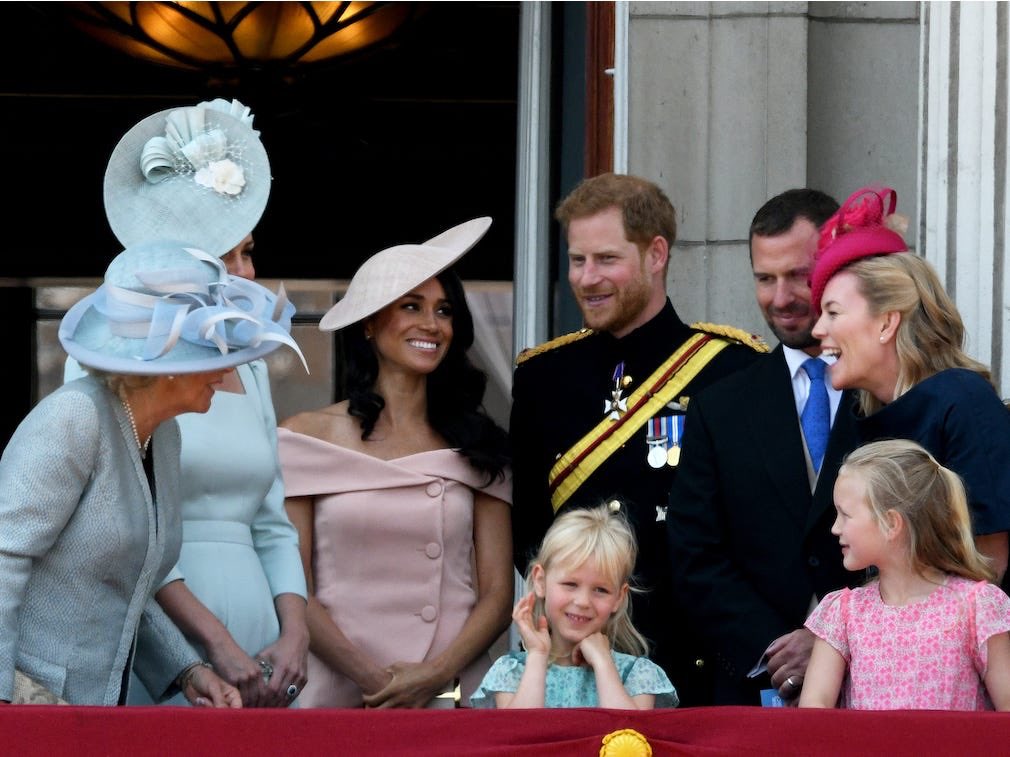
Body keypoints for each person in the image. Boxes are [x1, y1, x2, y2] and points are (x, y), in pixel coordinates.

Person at [72, 99, 310, 707]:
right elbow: (123, 523)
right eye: (225, 256)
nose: (245, 272)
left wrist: (296, 632)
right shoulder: (111, 354)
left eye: (248, 252)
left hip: (263, 637)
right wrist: (214, 642)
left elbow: (273, 520)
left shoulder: (252, 365)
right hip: (165, 635)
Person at [0, 238, 302, 706]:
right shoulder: (74, 418)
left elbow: (129, 584)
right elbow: (3, 558)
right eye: (213, 357)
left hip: (94, 709)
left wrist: (188, 670)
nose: (225, 374)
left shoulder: (163, 437)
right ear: (168, 367)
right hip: (33, 706)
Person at [510, 172, 767, 705]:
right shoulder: (542, 375)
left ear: (656, 254)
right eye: (577, 260)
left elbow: (750, 529)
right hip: (577, 656)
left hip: (696, 656)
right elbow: (530, 528)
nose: (586, 278)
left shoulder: (731, 369)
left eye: (606, 259)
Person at [278, 217, 513, 708]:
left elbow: (496, 596)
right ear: (368, 322)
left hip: (454, 690)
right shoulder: (305, 436)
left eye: (444, 310)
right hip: (339, 689)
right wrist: (371, 679)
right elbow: (292, 584)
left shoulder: (479, 445)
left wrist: (435, 675)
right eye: (411, 306)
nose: (432, 324)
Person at [666, 188, 863, 705]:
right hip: (760, 689)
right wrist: (778, 651)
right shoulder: (721, 406)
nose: (781, 297)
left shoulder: (895, 393)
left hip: (889, 678)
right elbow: (696, 556)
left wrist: (833, 642)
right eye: (764, 278)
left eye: (799, 274)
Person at [809, 184, 1010, 590]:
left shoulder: (963, 402)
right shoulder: (863, 412)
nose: (818, 330)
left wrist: (891, 634)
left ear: (887, 322)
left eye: (833, 313)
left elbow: (989, 565)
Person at [799, 439, 1010, 710]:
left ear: (891, 523)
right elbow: (814, 713)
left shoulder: (976, 607)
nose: (835, 528)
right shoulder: (842, 612)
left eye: (845, 514)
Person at [470, 502, 677, 709]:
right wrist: (537, 656)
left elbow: (630, 734)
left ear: (619, 598)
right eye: (570, 584)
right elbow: (520, 735)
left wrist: (603, 663)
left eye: (601, 590)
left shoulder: (636, 675)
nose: (583, 601)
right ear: (541, 581)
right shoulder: (512, 672)